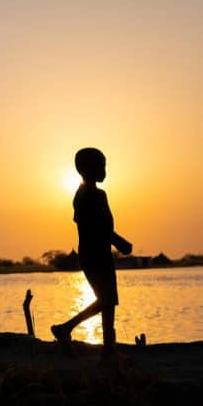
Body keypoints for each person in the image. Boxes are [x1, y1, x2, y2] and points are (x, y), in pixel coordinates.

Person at [51, 147, 132, 355]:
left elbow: (102, 227)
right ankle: (66, 328)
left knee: (109, 300)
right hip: (93, 253)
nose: (104, 170)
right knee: (106, 299)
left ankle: (108, 347)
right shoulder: (88, 196)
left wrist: (114, 241)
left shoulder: (92, 194)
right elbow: (98, 227)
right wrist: (119, 242)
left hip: (98, 252)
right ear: (87, 169)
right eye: (101, 166)